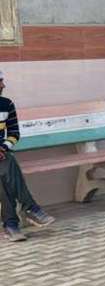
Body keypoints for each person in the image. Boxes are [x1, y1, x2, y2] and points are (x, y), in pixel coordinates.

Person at [0, 70, 55, 241]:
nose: (3, 85)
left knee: (5, 167)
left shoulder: (6, 104)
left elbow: (14, 133)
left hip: (1, 155)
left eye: (2, 81)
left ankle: (11, 225)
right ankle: (30, 209)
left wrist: (2, 148)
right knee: (7, 164)